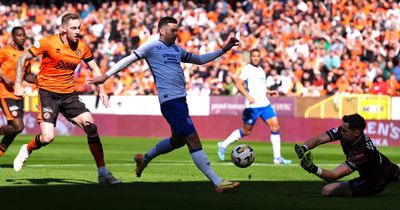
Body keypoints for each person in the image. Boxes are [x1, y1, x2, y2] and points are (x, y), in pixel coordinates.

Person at [88, 16, 240, 192]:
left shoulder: (177, 49)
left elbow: (199, 59)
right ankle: (217, 181)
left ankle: (144, 160)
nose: (176, 34)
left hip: (181, 100)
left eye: (177, 30)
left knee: (178, 141)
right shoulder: (151, 46)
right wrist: (105, 77)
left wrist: (223, 50)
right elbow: (128, 60)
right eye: (173, 30)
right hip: (170, 100)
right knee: (192, 138)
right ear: (162, 30)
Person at [13, 13, 121, 184]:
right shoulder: (48, 42)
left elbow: (95, 69)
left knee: (91, 127)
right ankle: (27, 148)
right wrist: (18, 84)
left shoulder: (83, 47)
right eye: (74, 28)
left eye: (79, 27)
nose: (78, 31)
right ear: (63, 29)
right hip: (47, 93)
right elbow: (22, 58)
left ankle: (103, 173)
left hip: (69, 95)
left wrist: (102, 89)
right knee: (48, 137)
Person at [294, 113, 400, 196]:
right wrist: (304, 148)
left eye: (344, 131)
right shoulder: (346, 133)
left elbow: (334, 176)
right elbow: (319, 139)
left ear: (356, 133)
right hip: (386, 165)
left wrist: (312, 168)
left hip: (374, 182)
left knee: (327, 190)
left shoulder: (361, 153)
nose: (341, 132)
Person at [217, 49, 292, 165]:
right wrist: (248, 96)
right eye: (254, 56)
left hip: (265, 104)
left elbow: (260, 87)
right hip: (253, 106)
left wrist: (268, 92)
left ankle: (277, 158)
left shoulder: (261, 70)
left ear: (260, 57)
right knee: (246, 131)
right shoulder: (248, 69)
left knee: (275, 127)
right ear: (251, 58)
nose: (256, 58)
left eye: (258, 56)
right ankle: (223, 145)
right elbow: (238, 83)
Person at [0, 27, 36, 157]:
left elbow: (27, 76)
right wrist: (4, 78)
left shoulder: (27, 54)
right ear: (13, 36)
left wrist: (39, 79)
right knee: (18, 127)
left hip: (18, 94)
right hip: (4, 93)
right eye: (19, 35)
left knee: (14, 129)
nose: (22, 37)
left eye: (23, 35)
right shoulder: (4, 51)